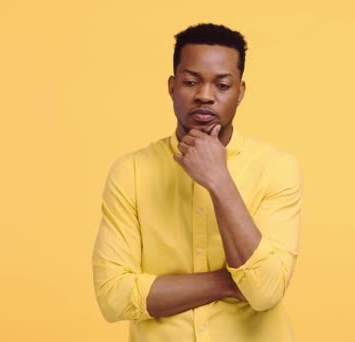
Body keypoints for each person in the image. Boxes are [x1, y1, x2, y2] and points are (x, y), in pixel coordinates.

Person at [92, 23, 302, 342]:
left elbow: (265, 292)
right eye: (191, 82)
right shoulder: (130, 171)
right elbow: (113, 296)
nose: (205, 96)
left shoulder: (277, 169)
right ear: (172, 86)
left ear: (240, 91)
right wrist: (228, 283)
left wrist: (219, 181)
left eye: (222, 85)